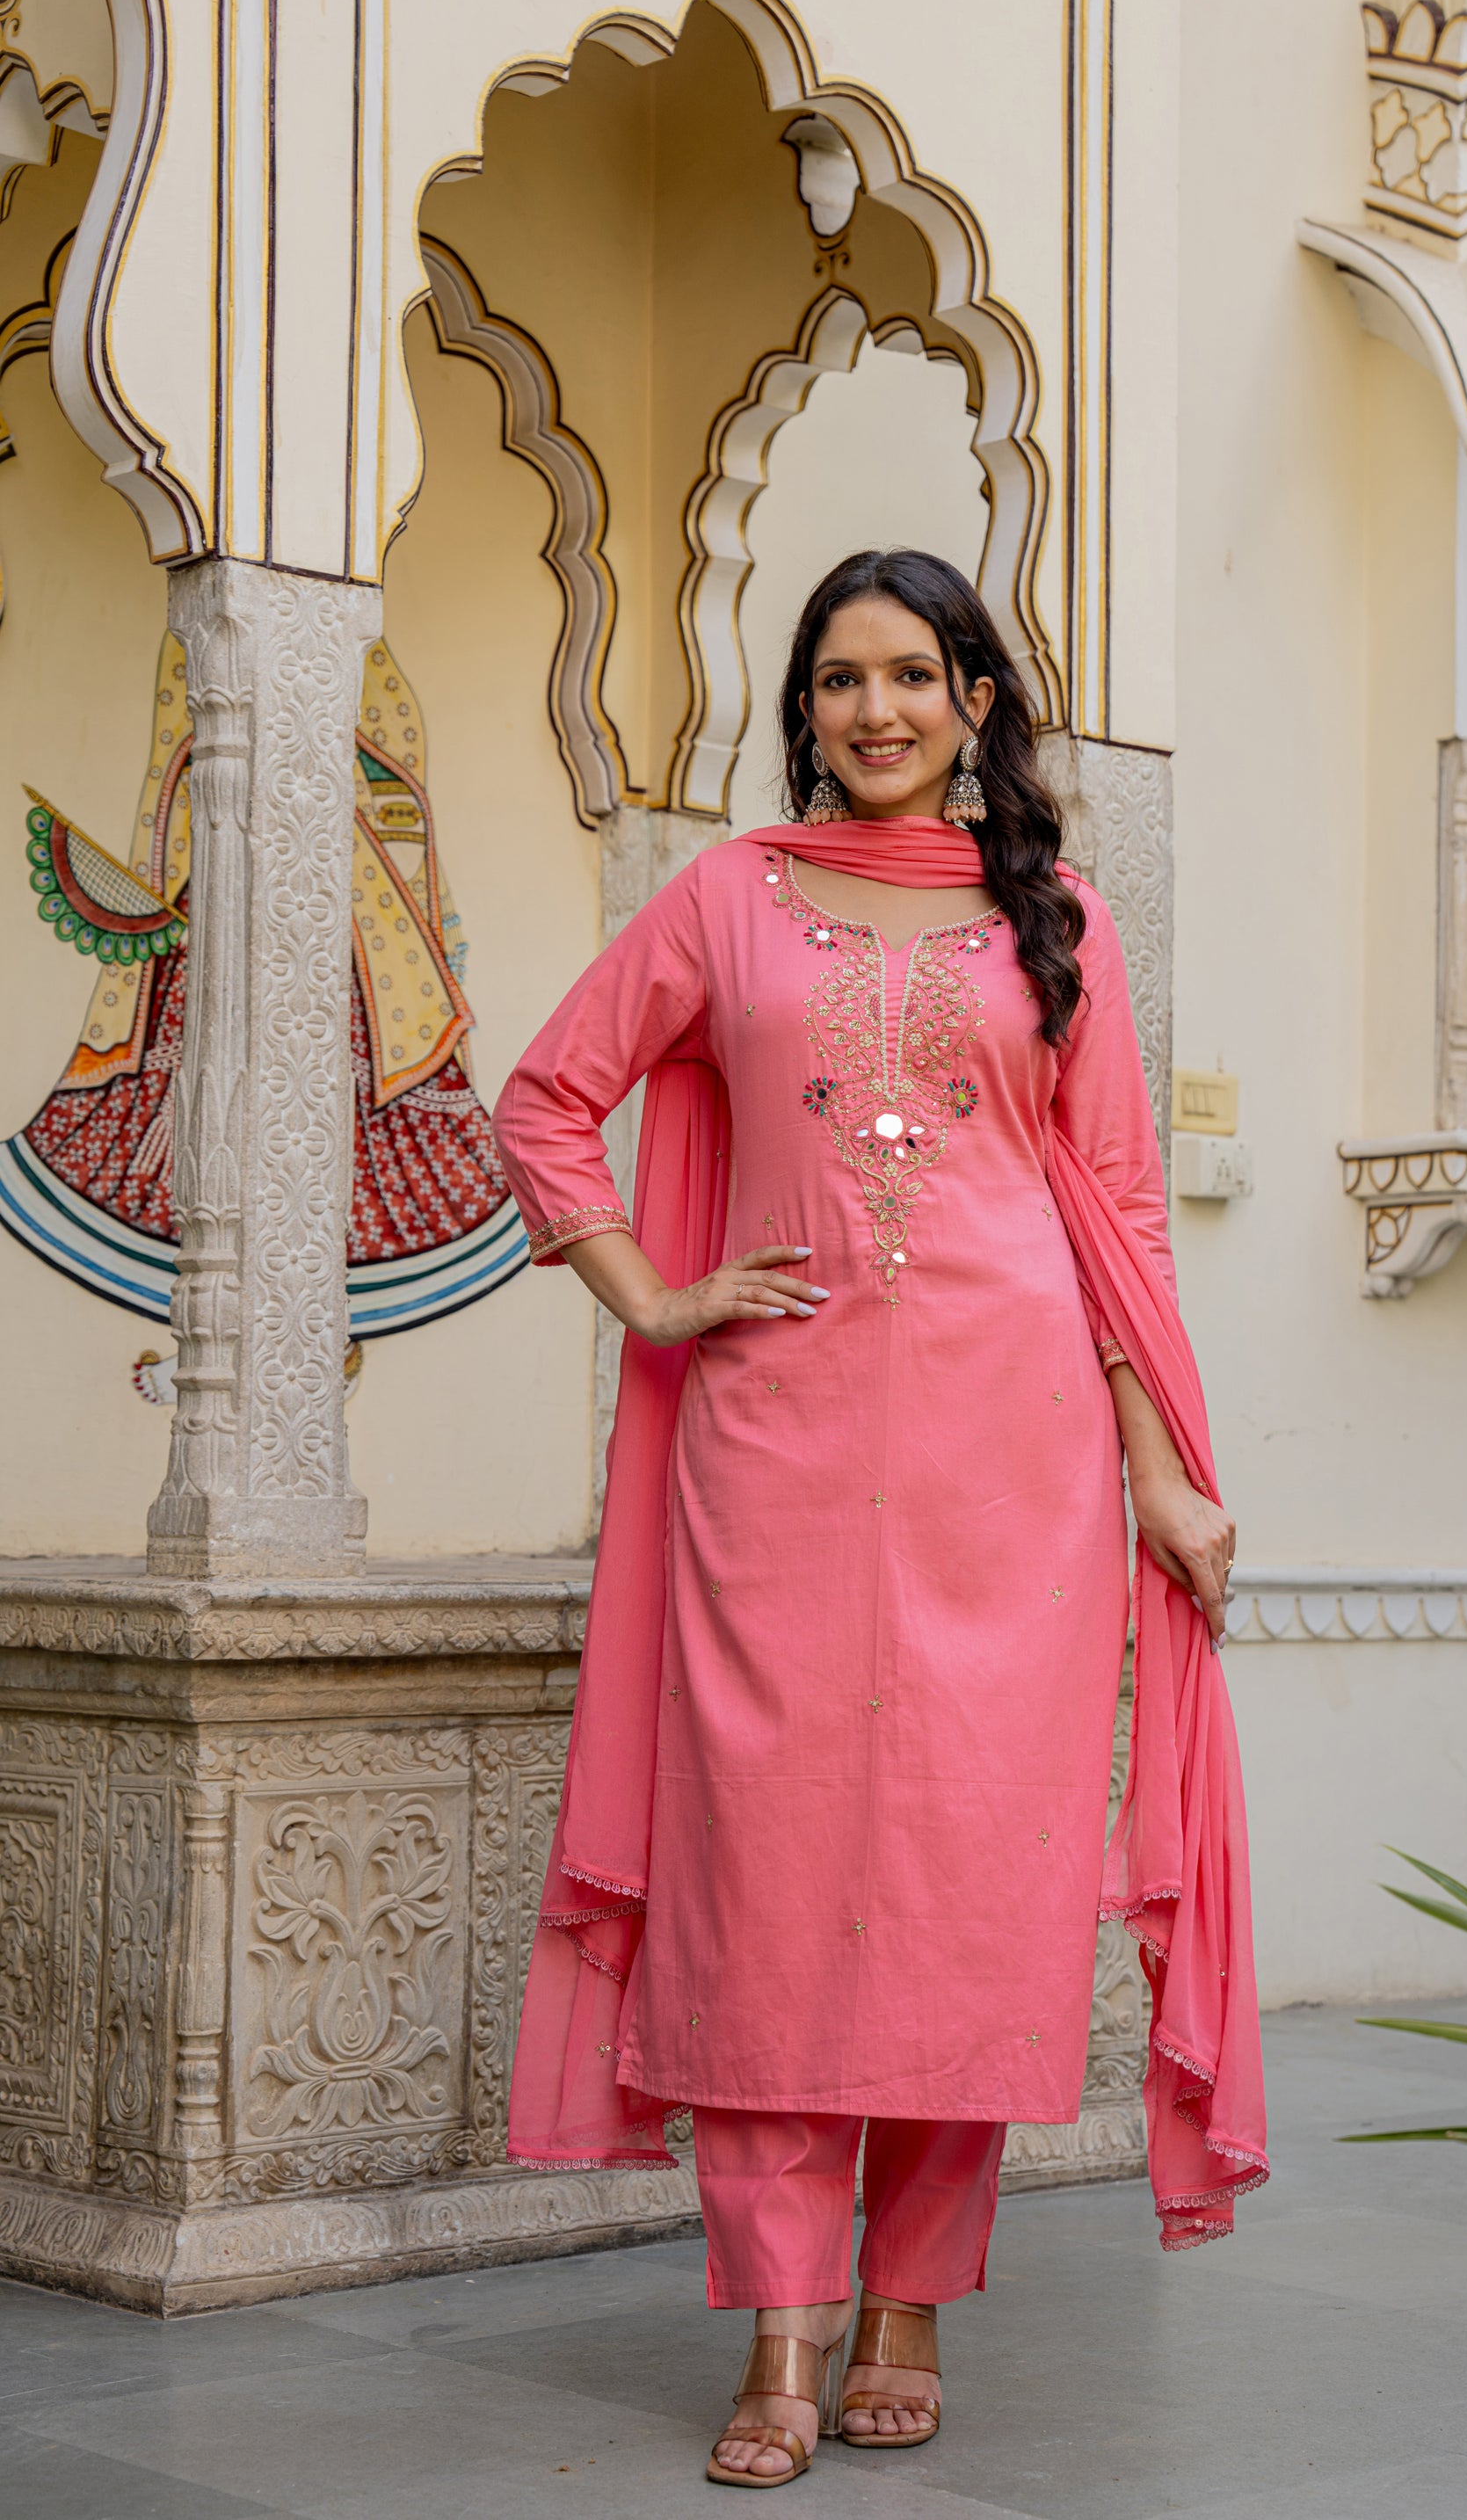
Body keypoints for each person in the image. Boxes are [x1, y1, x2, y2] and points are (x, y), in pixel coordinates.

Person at [493, 548, 1267, 2488]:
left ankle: (909, 2306)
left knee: (957, 1895)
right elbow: (543, 1099)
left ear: (973, 698)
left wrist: (1161, 1457)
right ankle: (780, 2326)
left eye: (910, 672)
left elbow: (1114, 1213)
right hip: (772, 1464)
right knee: (766, 1893)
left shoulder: (1055, 917)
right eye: (838, 678)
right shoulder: (723, 900)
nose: (874, 708)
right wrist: (651, 1296)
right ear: (807, 707)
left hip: (1020, 1476)